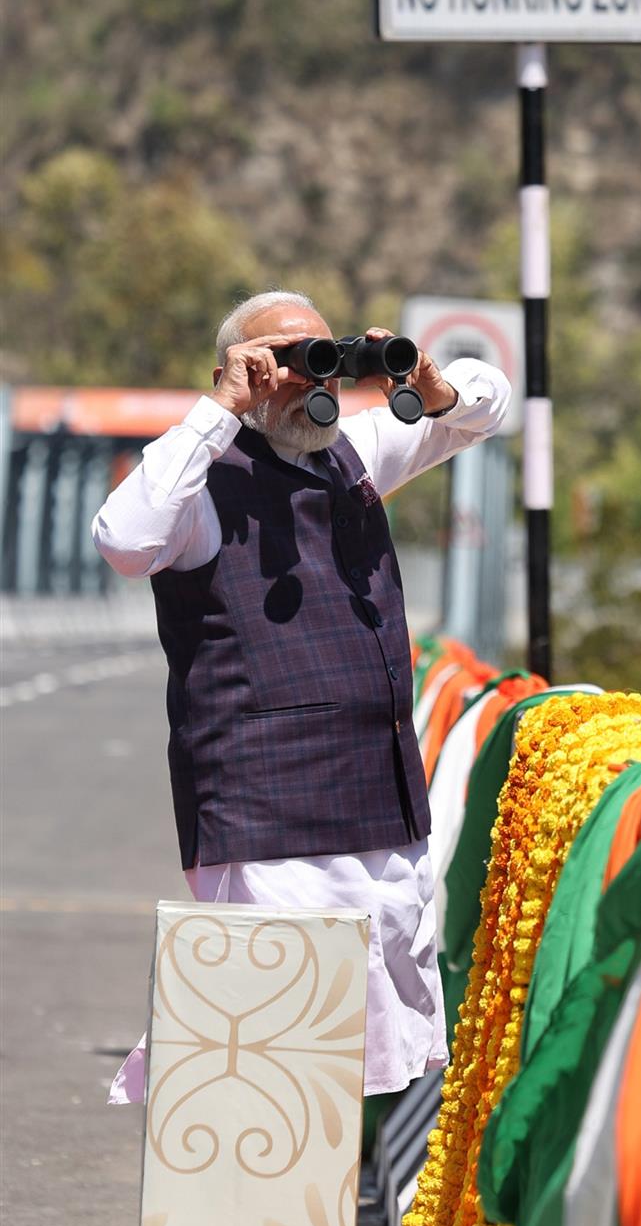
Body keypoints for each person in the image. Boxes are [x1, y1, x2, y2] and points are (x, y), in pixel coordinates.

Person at [92, 288, 513, 1118]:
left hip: (378, 803)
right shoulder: (202, 484)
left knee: (357, 1052)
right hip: (267, 818)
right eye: (281, 359)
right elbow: (125, 538)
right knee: (267, 1057)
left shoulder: (352, 449)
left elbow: (487, 406)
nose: (302, 375)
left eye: (320, 352)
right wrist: (220, 412)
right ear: (235, 375)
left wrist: (433, 388)